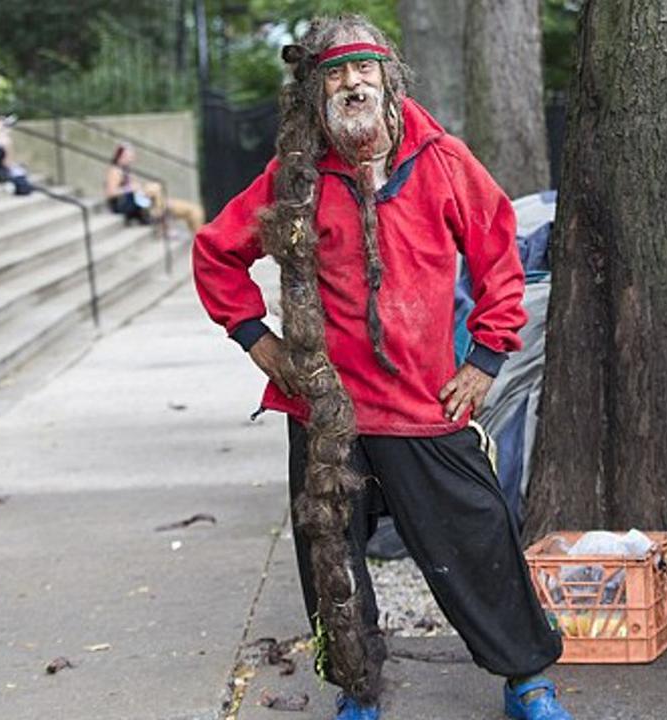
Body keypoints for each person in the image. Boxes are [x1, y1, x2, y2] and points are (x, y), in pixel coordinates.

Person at [192, 15, 570, 720]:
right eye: (335, 72)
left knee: (481, 536)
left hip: (424, 404)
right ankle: (357, 690)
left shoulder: (443, 160)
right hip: (326, 410)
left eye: (364, 69)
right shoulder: (295, 177)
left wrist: (486, 356)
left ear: (389, 80)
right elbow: (217, 251)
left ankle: (527, 681)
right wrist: (258, 341)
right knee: (328, 557)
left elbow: (499, 259)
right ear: (317, 90)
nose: (351, 82)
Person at [105, 144, 152, 225]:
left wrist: (136, 187)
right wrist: (129, 188)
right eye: (128, 156)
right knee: (152, 192)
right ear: (120, 156)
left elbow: (131, 186)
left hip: (127, 201)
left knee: (152, 192)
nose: (130, 159)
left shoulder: (125, 169)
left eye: (131, 157)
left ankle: (153, 217)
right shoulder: (115, 171)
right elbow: (110, 193)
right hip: (119, 205)